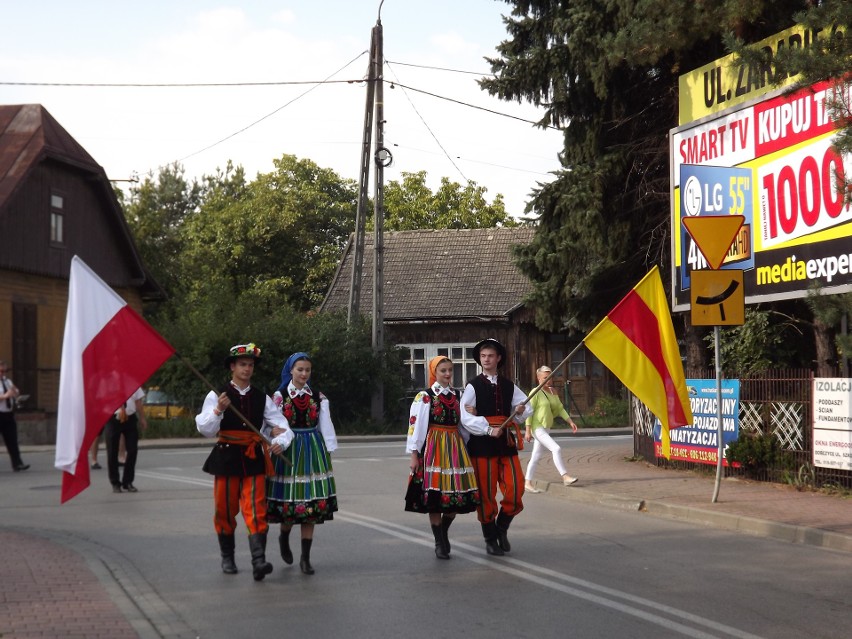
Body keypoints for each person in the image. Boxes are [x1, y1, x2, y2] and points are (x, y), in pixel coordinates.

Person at [196, 343, 292, 581]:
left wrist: (281, 441)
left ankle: (258, 561)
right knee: (225, 510)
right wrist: (218, 410)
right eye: (242, 364)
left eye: (250, 365)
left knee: (256, 508)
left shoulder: (262, 397)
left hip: (253, 459)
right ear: (232, 367)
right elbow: (205, 429)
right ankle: (227, 557)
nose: (247, 369)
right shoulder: (217, 395)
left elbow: (281, 426)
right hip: (226, 457)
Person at [267, 352, 338, 575]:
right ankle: (284, 536)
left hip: (312, 449)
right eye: (300, 369)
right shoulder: (279, 396)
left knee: (311, 506)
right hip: (288, 449)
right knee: (291, 503)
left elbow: (325, 425)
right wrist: (273, 435)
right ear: (291, 370)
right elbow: (269, 424)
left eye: (307, 370)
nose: (304, 374)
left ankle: (305, 558)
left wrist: (327, 450)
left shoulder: (318, 397)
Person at [460, 338, 532, 556]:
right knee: (486, 493)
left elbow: (526, 407)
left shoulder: (509, 385)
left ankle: (502, 528)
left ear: (498, 358)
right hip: (482, 445)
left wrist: (520, 411)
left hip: (505, 443)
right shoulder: (473, 385)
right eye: (483, 356)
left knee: (516, 487)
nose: (486, 359)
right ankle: (490, 538)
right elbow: (464, 416)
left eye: (490, 356)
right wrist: (487, 428)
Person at [405, 356, 480, 559]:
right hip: (433, 448)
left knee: (454, 499)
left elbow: (465, 425)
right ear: (434, 373)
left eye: (450, 370)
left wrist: (473, 414)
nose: (447, 374)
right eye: (443, 371)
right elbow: (416, 427)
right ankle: (439, 540)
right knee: (435, 496)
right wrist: (414, 454)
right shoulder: (425, 396)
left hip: (455, 447)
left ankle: (444, 531)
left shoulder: (458, 395)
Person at [524, 366, 579, 493]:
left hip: (546, 427)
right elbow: (529, 412)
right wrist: (527, 430)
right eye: (545, 378)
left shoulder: (553, 391)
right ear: (538, 379)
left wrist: (570, 422)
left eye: (550, 377)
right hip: (537, 427)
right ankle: (565, 476)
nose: (548, 380)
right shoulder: (535, 392)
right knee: (556, 448)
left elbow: (560, 408)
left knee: (536, 456)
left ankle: (527, 482)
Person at [105, 388, 147, 493]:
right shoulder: (108, 383)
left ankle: (128, 481)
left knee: (132, 450)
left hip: (130, 418)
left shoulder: (132, 382)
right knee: (112, 451)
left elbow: (138, 401)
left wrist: (142, 418)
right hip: (113, 418)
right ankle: (115, 482)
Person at [0, 361, 28, 472]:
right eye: (1, 371)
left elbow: (14, 391)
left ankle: (17, 464)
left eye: (5, 371)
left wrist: (16, 393)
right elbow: (4, 396)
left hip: (8, 414)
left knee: (12, 440)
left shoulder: (7, 381)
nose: (3, 373)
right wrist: (6, 396)